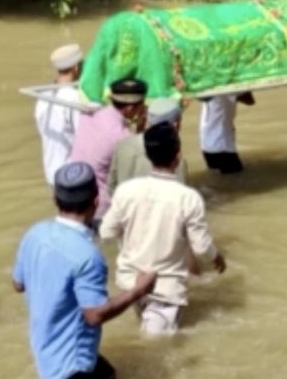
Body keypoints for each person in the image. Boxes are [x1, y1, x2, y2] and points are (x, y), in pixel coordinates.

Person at [12, 162, 156, 379]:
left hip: (45, 350)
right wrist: (139, 290)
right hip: (72, 366)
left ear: (55, 199)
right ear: (96, 202)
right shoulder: (88, 255)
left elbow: (18, 284)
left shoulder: (34, 234)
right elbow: (95, 314)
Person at [100, 122, 227, 336]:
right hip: (165, 289)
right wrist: (217, 258)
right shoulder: (188, 198)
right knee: (158, 351)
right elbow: (201, 248)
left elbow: (106, 232)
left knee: (147, 340)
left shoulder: (126, 191)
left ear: (148, 155)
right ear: (178, 154)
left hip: (131, 283)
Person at [68, 78, 147, 219]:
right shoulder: (122, 136)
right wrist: (141, 130)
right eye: (142, 104)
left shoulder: (89, 114)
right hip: (99, 207)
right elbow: (135, 171)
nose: (144, 108)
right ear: (130, 108)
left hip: (73, 196)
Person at [108, 98, 188, 194]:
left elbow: (111, 185)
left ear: (148, 120)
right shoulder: (174, 158)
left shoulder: (122, 145)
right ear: (175, 124)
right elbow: (179, 198)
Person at [34, 44, 84, 186]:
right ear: (76, 68)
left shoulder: (43, 95)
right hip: (71, 174)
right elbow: (83, 136)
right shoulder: (74, 98)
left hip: (51, 172)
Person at [200, 92, 255, 173]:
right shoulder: (228, 89)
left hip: (206, 144)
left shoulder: (209, 87)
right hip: (221, 144)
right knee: (237, 179)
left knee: (219, 180)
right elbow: (250, 100)